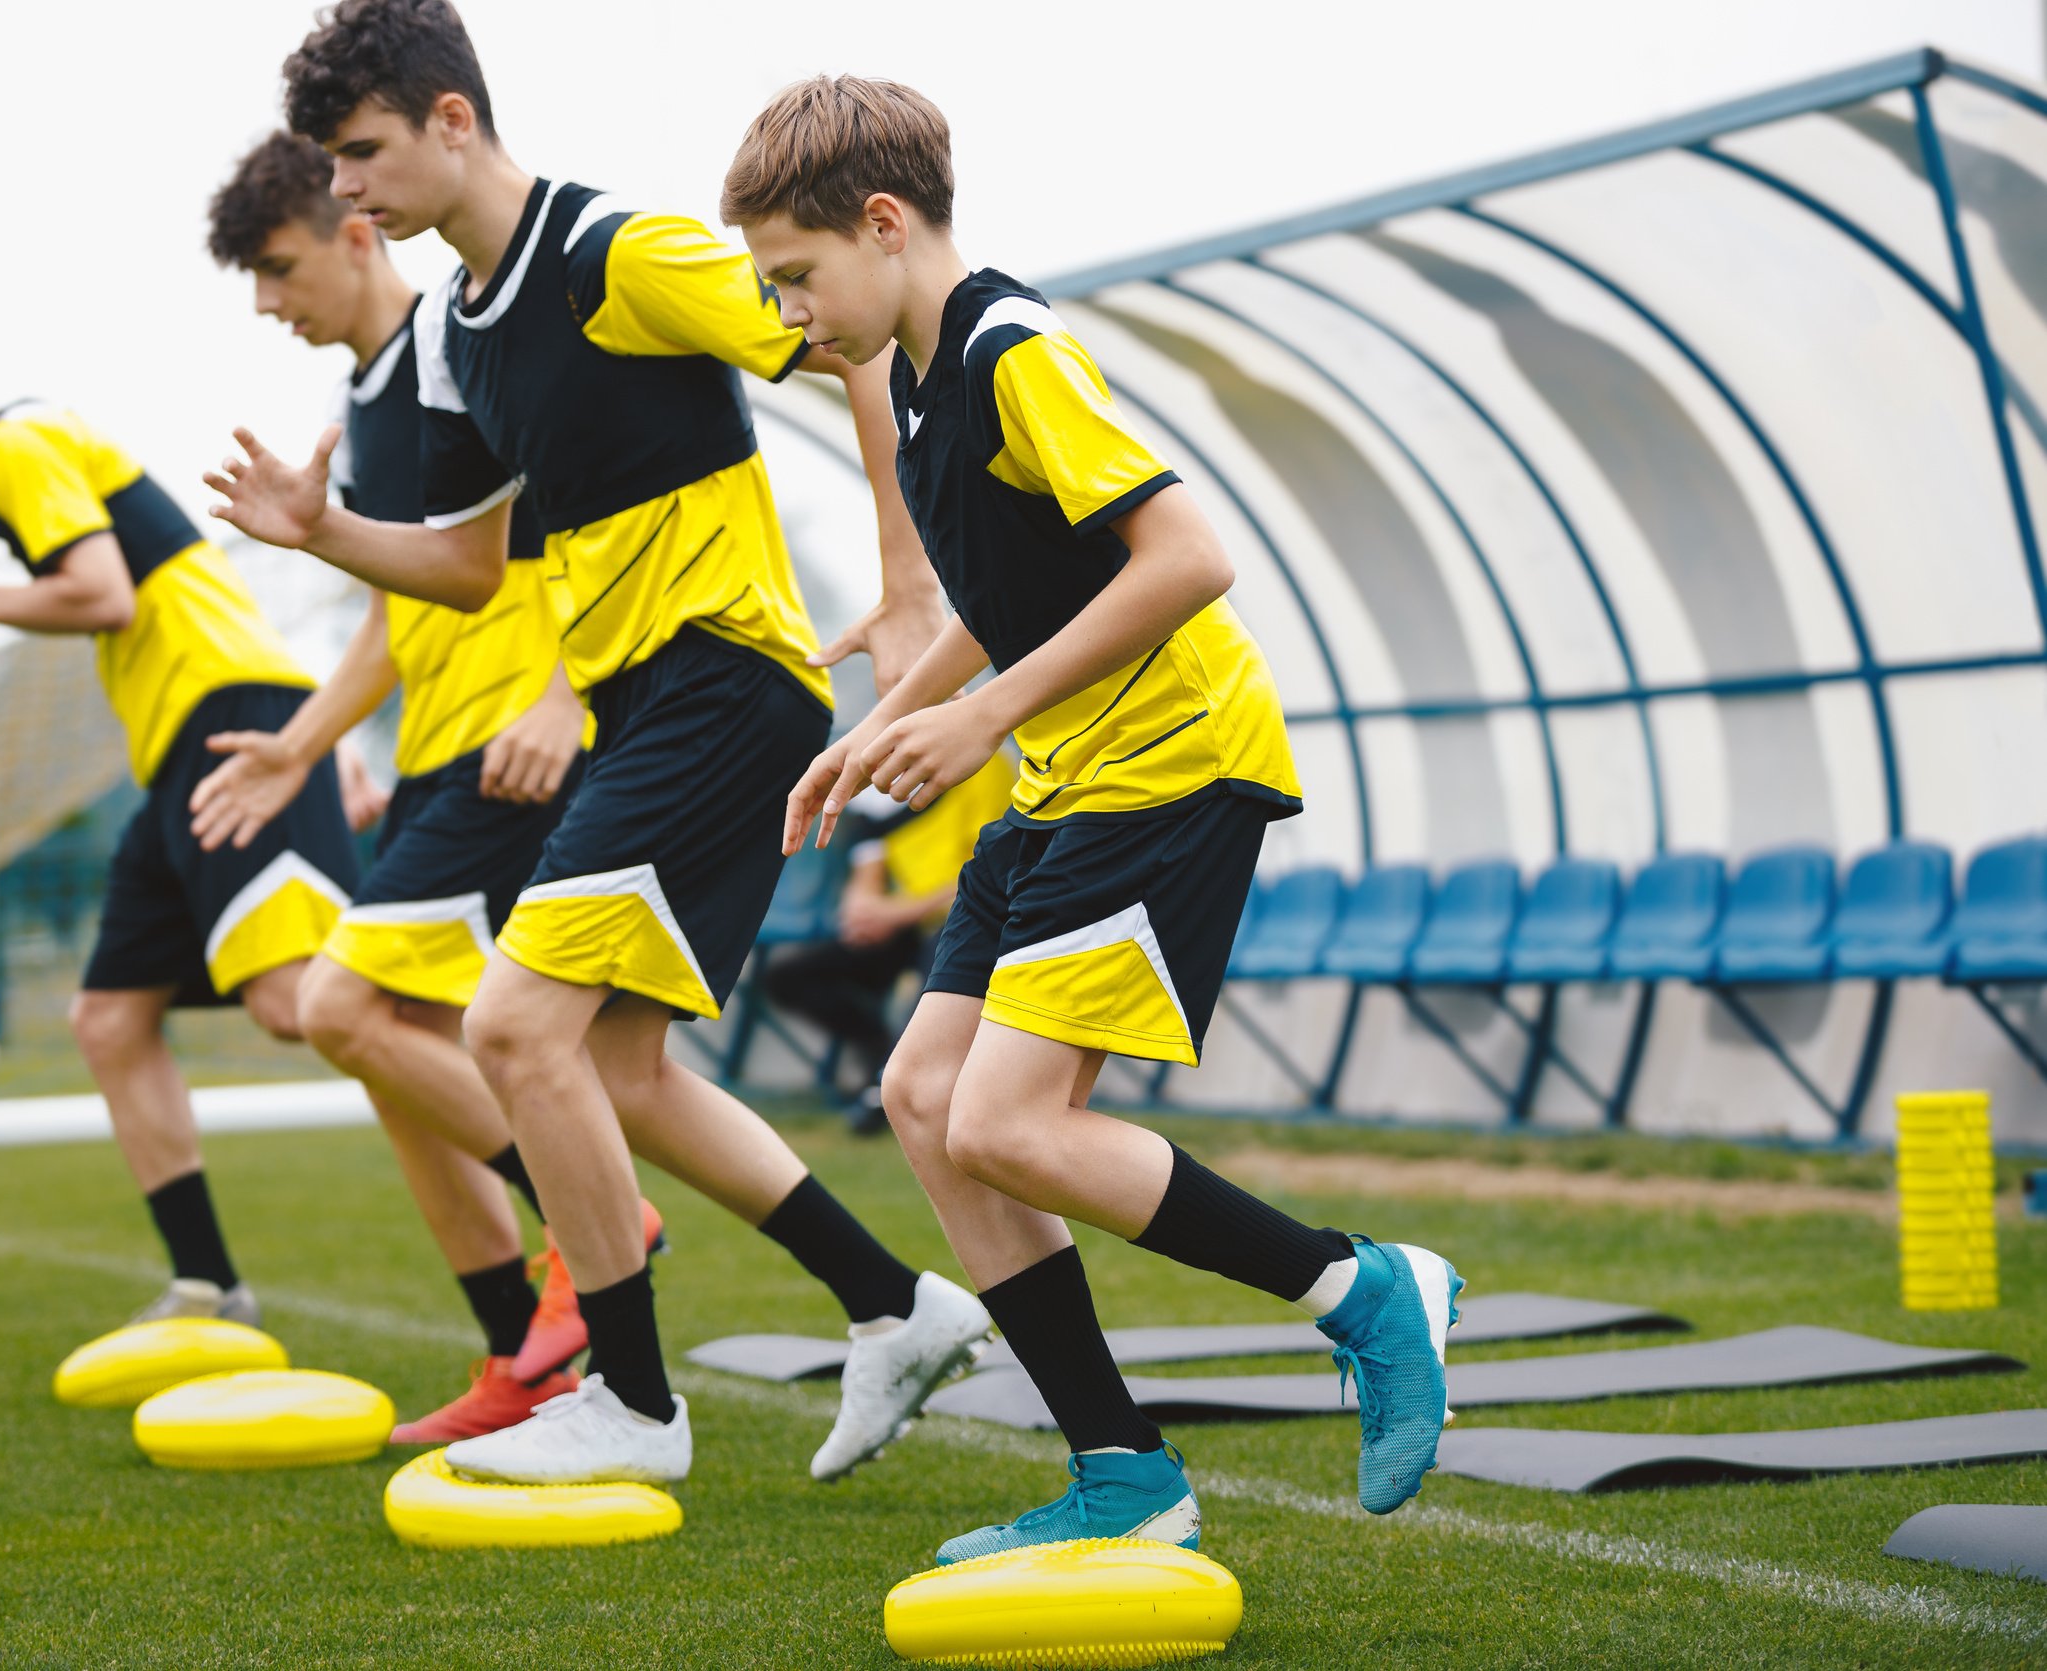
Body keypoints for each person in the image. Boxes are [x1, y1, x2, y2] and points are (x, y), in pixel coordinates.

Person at [206, 0, 992, 1488]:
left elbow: (858, 343)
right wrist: (321, 529)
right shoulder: (456, 335)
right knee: (619, 1072)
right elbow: (461, 565)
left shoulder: (620, 252)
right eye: (333, 164)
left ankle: (629, 1401)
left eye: (363, 153)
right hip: (643, 705)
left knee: (507, 1027)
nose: (349, 191)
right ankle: (895, 1303)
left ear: (452, 122)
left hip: (720, 683)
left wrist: (904, 589)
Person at [728, 75, 1464, 1559]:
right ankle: (1121, 1464)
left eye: (794, 277)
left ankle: (1364, 1288)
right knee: (926, 1098)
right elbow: (1011, 598)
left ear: (880, 223)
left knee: (1006, 1116)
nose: (785, 314)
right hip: (1069, 780)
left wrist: (979, 715)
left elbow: (1187, 557)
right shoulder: (926, 378)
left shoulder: (1008, 353)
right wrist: (881, 722)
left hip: (1170, 768)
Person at [199, 132, 673, 1441]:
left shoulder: (459, 352)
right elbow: (386, 616)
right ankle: (521, 1357)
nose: (263, 303)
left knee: (347, 1009)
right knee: (398, 1064)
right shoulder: (362, 399)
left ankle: (600, 1226)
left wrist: (563, 694)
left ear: (357, 232)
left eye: (277, 267)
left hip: (507, 759)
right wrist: (300, 744)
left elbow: (585, 533)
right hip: (426, 759)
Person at [0, 323, 363, 1334]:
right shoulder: (27, 454)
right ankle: (208, 1285)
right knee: (108, 1020)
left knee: (301, 1005)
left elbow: (104, 595)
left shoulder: (17, 444)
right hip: (183, 746)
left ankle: (561, 1187)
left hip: (228, 722)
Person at [760, 752, 1015, 1131]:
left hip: (971, 924)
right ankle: (880, 1050)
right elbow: (868, 861)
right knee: (790, 976)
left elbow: (996, 875)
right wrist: (861, 909)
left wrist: (892, 913)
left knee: (934, 991)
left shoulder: (984, 762)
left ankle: (890, 1089)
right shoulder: (879, 764)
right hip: (910, 927)